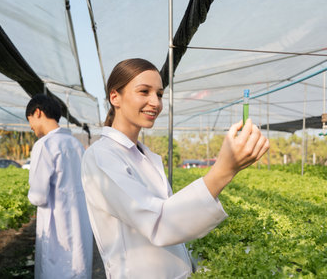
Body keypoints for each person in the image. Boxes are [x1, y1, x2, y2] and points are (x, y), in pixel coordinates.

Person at [81, 58, 270, 279]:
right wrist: (224, 170)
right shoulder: (102, 156)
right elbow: (158, 223)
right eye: (144, 91)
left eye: (159, 94)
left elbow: (168, 214)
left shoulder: (143, 155)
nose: (156, 102)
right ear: (115, 97)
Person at [26, 94, 93, 279]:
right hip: (79, 222)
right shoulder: (76, 144)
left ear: (37, 113)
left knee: (56, 269)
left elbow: (38, 196)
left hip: (56, 226)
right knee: (78, 266)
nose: (30, 126)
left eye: (29, 120)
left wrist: (29, 194)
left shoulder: (45, 145)